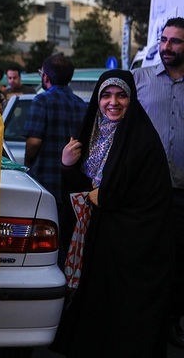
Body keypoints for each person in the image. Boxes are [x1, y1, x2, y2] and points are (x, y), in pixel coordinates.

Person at [50, 69, 173, 357]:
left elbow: (151, 196)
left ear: (132, 99)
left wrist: (108, 196)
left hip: (131, 246)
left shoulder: (143, 140)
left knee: (122, 317)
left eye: (121, 95)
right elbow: (81, 191)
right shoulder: (92, 134)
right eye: (106, 95)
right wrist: (67, 165)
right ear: (97, 99)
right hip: (97, 242)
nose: (113, 102)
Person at [133, 16, 184, 349]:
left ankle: (171, 320)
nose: (167, 47)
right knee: (144, 258)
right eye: (164, 40)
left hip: (182, 195)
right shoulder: (140, 80)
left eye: (175, 41)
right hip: (145, 195)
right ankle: (141, 322)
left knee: (178, 262)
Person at [23, 53, 87, 260]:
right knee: (66, 239)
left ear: (46, 77)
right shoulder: (81, 105)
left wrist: (27, 163)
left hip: (45, 182)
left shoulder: (41, 100)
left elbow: (34, 141)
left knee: (42, 241)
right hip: (70, 183)